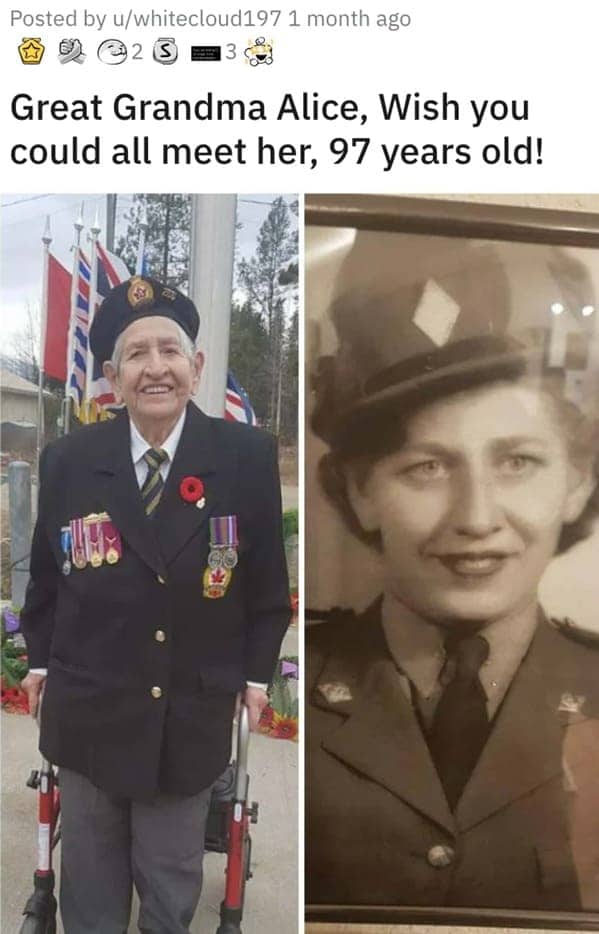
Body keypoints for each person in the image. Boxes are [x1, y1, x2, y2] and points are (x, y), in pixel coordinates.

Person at [306, 230, 599, 912]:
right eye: (426, 467)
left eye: (516, 462)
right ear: (358, 490)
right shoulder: (301, 682)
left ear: (577, 482)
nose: (474, 517)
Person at [20, 276, 291, 933]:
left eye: (169, 350)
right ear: (111, 377)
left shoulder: (244, 456)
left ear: (195, 367)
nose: (155, 368)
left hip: (187, 711)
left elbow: (264, 586)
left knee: (170, 885)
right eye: (136, 355)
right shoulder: (69, 461)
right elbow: (48, 582)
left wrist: (255, 677)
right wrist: (40, 662)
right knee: (89, 884)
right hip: (91, 707)